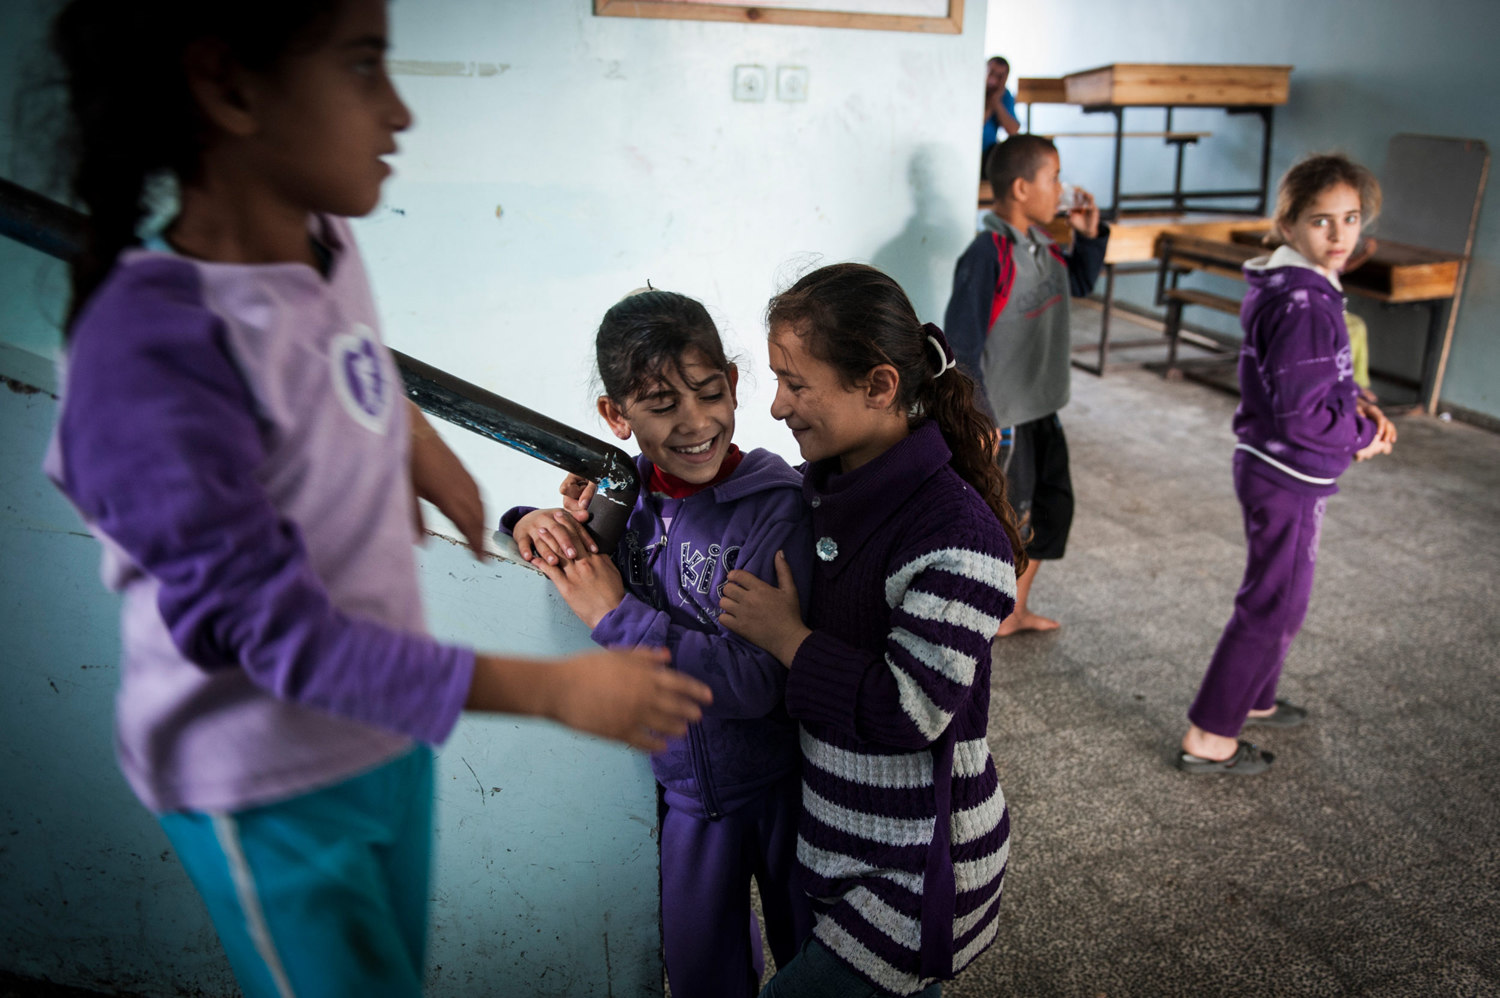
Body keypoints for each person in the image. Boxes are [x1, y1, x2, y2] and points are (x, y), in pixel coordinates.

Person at [43, 2, 712, 994]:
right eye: (363, 67)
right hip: (265, 782)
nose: (399, 111)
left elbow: (346, 360)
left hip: (381, 735)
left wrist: (424, 449)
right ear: (229, 85)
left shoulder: (320, 240)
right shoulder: (150, 352)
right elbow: (283, 640)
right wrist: (557, 690)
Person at [717, 263, 1025, 998]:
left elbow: (907, 709)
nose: (776, 406)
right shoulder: (830, 487)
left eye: (796, 383)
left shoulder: (956, 537)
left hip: (919, 873)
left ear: (880, 387)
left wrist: (787, 638)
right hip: (846, 849)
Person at [503, 289, 815, 998]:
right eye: (661, 404)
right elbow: (557, 531)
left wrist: (620, 617)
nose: (696, 422)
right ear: (616, 416)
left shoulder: (775, 508)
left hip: (781, 789)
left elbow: (755, 680)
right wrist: (528, 522)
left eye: (709, 392)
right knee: (701, 971)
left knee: (812, 962)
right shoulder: (623, 499)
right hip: (681, 797)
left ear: (734, 383)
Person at [1177, 153, 1397, 775]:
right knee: (1274, 603)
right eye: (1322, 221)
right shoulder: (1302, 303)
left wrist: (1359, 403)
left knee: (1280, 592)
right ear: (1290, 223)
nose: (1340, 235)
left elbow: (1314, 379)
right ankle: (1210, 736)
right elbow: (1301, 415)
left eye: (1351, 219)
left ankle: (1258, 700)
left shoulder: (1302, 286)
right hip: (1288, 473)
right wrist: (1360, 435)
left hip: (1279, 466)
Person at [943, 134, 1110, 637]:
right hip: (1007, 418)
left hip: (1042, 408)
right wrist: (983, 418)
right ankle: (988, 614)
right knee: (1008, 518)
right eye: (1052, 178)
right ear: (1020, 187)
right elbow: (961, 345)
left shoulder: (1042, 245)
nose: (1061, 188)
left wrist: (1088, 237)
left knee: (1050, 509)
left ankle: (1013, 610)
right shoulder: (986, 253)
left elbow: (1077, 283)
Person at [982, 56, 1022, 162]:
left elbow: (1013, 130)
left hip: (989, 151)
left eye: (1000, 76)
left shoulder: (1004, 95)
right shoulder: (974, 90)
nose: (993, 80)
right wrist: (992, 104)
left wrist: (996, 101)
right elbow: (974, 127)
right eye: (991, 73)